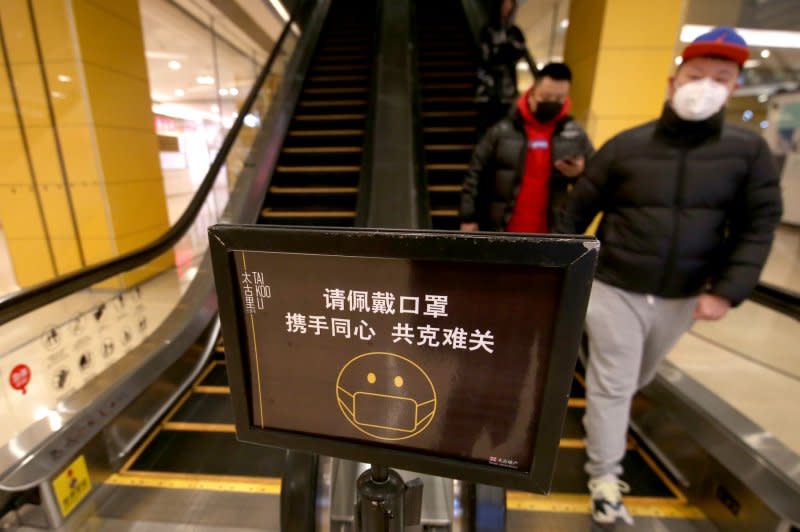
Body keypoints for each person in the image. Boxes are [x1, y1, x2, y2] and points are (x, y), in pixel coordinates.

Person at [555, 27, 783, 525]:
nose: (705, 86)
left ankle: (607, 431)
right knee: (614, 383)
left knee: (639, 376)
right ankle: (604, 476)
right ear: (672, 80)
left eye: (721, 78)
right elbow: (577, 211)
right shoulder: (627, 147)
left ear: (734, 87)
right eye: (696, 75)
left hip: (682, 295)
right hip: (614, 285)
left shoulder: (748, 153)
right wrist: (568, 272)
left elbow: (758, 224)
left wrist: (727, 291)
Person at [461, 62, 594, 234]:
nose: (552, 103)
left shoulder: (576, 135)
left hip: (551, 234)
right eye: (546, 97)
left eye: (559, 99)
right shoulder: (501, 131)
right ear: (532, 92)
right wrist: (468, 218)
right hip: (500, 229)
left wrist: (579, 173)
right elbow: (475, 174)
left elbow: (596, 178)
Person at [475, 0, 528, 136]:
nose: (507, 8)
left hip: (507, 86)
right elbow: (485, 56)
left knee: (506, 121)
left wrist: (503, 50)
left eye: (510, 5)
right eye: (504, 4)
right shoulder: (488, 30)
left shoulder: (514, 32)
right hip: (489, 84)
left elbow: (519, 51)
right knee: (486, 120)